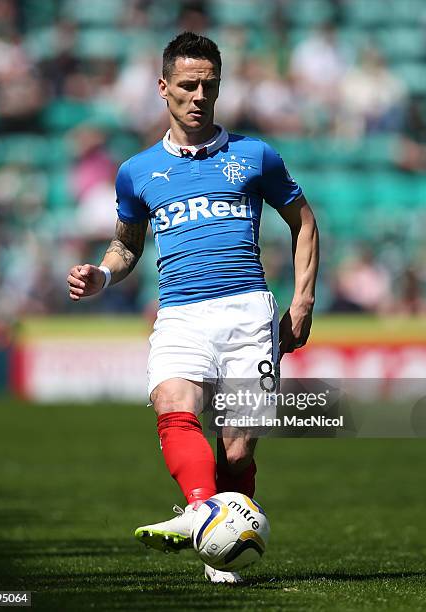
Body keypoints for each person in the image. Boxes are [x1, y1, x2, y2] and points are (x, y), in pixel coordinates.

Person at [67, 32, 319, 584]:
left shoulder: (255, 156)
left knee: (236, 448)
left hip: (248, 314)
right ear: (163, 88)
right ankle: (207, 517)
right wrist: (103, 273)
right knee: (172, 403)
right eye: (187, 85)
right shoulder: (137, 171)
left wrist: (302, 299)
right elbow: (129, 243)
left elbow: (303, 221)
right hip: (180, 313)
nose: (200, 95)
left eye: (210, 85)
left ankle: (209, 524)